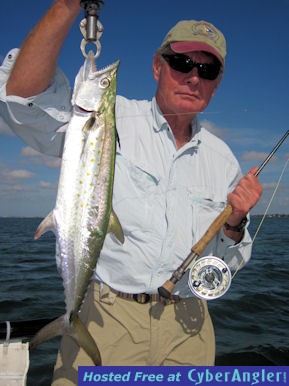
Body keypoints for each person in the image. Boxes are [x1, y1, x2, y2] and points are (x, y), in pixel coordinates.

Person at [0, 1, 262, 385]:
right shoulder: (108, 116)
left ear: (216, 83)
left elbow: (225, 265)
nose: (193, 77)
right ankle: (70, 322)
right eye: (182, 63)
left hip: (190, 330)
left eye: (207, 70)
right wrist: (68, 7)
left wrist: (236, 224)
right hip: (109, 318)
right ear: (158, 66)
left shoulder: (223, 159)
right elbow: (21, 97)